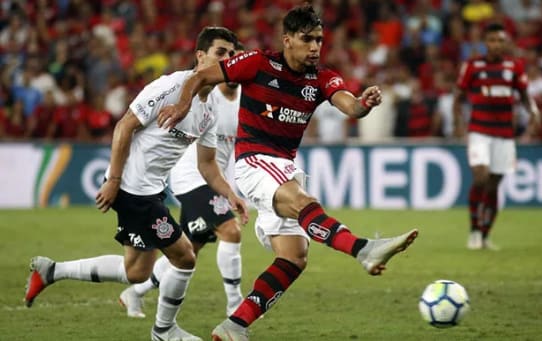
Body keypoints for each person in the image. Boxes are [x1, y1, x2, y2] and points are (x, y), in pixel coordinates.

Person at [157, 6, 419, 341]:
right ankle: (363, 249)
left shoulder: (322, 78)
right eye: (307, 39)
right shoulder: (257, 63)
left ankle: (234, 326)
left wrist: (364, 103)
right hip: (253, 162)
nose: (315, 47)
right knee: (302, 200)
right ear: (287, 40)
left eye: (319, 40)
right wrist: (182, 106)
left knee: (294, 258)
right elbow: (200, 76)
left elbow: (349, 105)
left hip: (284, 165)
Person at [24, 27, 248, 341]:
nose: (227, 59)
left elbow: (207, 165)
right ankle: (164, 331)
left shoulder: (209, 109)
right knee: (184, 256)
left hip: (151, 189)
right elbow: (124, 126)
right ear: (200, 55)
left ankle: (51, 271)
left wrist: (230, 194)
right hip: (132, 189)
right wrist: (114, 180)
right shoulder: (171, 86)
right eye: (220, 52)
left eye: (232, 54)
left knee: (137, 271)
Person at [119, 44, 245, 320]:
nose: (231, 63)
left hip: (211, 180)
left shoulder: (244, 100)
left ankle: (136, 292)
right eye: (226, 57)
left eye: (237, 59)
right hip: (190, 177)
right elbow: (190, 83)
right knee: (231, 230)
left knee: (188, 251)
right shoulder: (207, 92)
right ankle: (235, 304)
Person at [452, 22, 540, 250]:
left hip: (504, 134)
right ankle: (473, 230)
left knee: (494, 185)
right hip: (479, 131)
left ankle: (485, 234)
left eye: (501, 40)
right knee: (481, 177)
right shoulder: (472, 66)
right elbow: (458, 96)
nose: (496, 45)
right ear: (485, 43)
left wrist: (533, 112)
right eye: (492, 40)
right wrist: (458, 124)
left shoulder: (515, 66)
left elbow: (523, 94)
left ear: (506, 42)